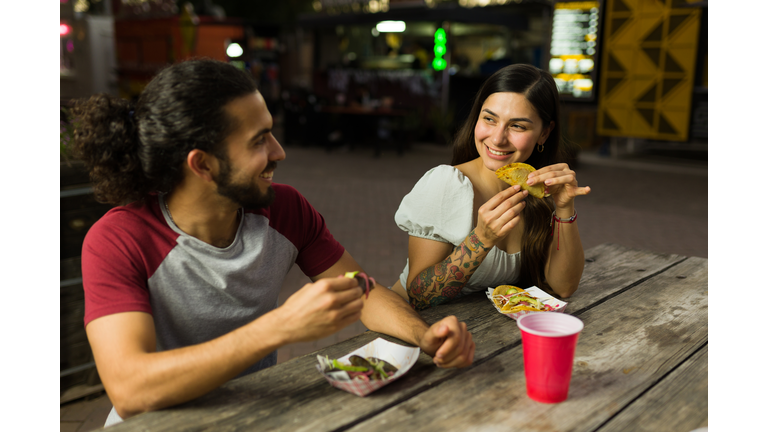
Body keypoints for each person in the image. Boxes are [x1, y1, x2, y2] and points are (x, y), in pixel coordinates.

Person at [70, 59, 475, 426]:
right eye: (259, 140)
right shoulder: (118, 239)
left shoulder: (285, 209)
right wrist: (278, 328)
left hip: (253, 414)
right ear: (203, 164)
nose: (279, 151)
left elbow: (362, 290)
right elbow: (130, 390)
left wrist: (423, 336)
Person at [389, 64, 591, 310]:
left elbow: (563, 287)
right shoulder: (446, 183)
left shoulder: (537, 190)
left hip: (481, 335)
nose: (497, 138)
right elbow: (418, 296)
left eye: (517, 126)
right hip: (412, 329)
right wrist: (481, 239)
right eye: (489, 119)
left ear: (544, 133)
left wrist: (564, 208)